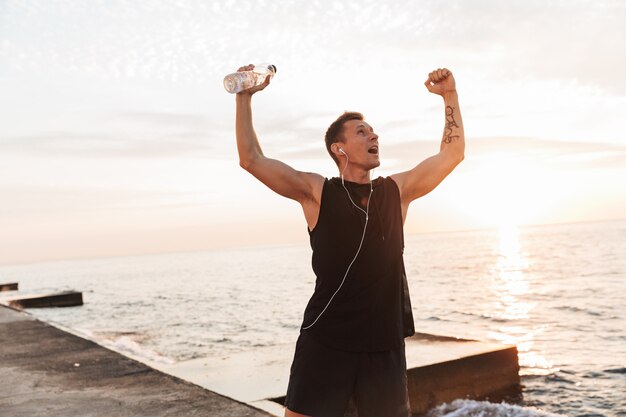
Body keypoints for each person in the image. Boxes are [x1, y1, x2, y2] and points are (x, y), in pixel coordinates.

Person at [234, 64, 464, 417]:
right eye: (362, 132)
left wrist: (449, 95)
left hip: (383, 348)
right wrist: (244, 96)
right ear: (339, 149)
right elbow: (251, 159)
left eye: (373, 131)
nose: (374, 136)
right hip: (326, 342)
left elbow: (452, 155)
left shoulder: (395, 192)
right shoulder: (317, 192)